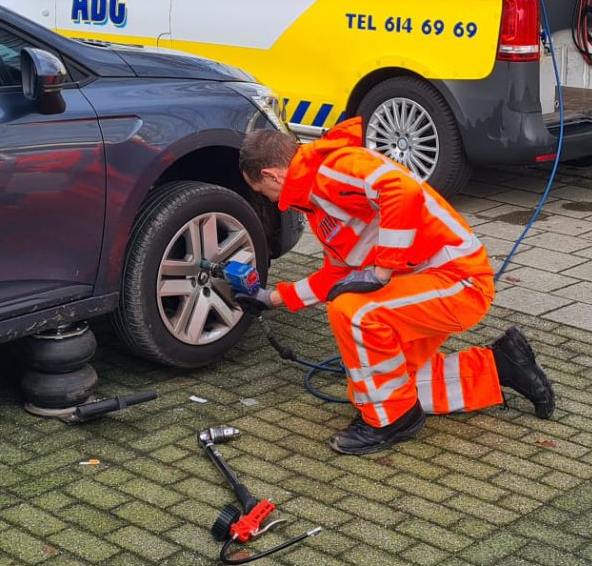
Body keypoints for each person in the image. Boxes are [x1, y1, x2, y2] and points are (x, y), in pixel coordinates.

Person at [237, 119, 556, 455]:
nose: (270, 200)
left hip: (459, 279)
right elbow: (338, 274)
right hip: (429, 281)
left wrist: (381, 271)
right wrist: (271, 299)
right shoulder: (318, 199)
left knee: (354, 313)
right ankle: (501, 366)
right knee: (381, 387)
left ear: (273, 175)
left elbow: (401, 190)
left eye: (263, 191)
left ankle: (389, 421)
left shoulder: (334, 168)